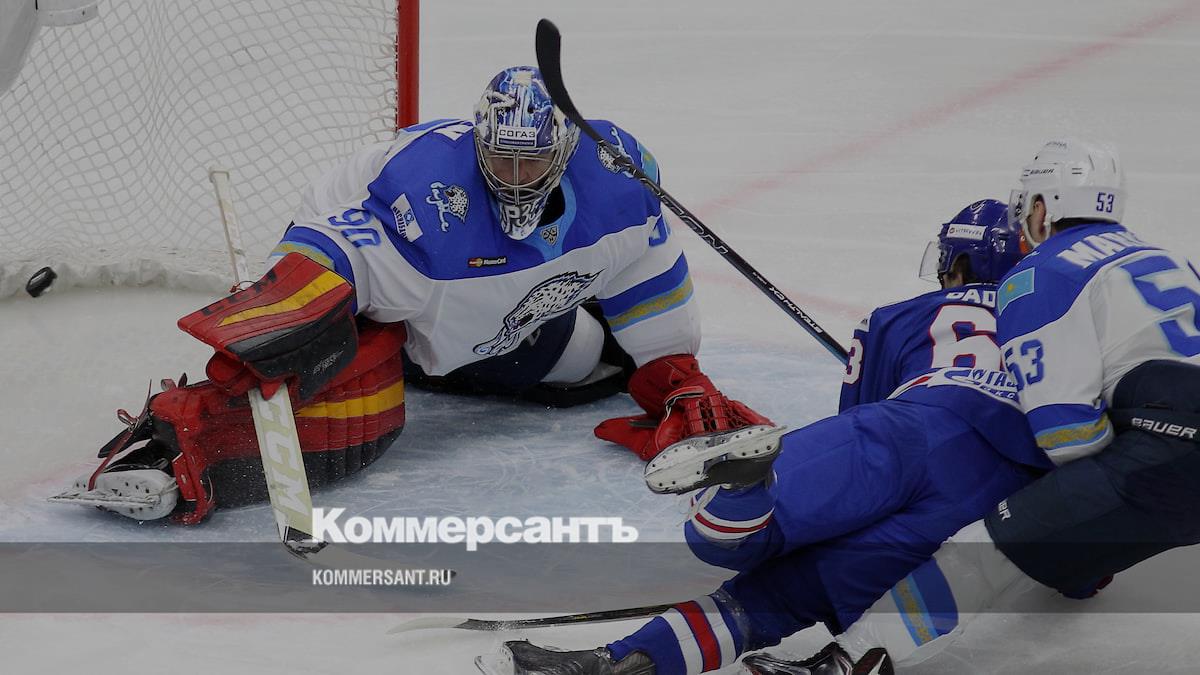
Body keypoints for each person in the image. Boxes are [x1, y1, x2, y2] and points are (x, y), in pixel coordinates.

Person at [58, 65, 769, 523]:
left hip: (505, 321)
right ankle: (175, 446)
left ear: (562, 153)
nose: (515, 177)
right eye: (501, 159)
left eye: (531, 162)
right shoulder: (429, 200)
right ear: (479, 146)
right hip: (393, 300)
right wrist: (288, 315)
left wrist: (676, 373)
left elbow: (647, 268)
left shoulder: (617, 183)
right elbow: (337, 246)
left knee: (591, 365)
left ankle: (444, 357)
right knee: (355, 397)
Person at [485, 199, 1053, 675]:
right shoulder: (1052, 322)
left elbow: (862, 416)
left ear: (957, 263)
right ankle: (630, 660)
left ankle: (741, 497)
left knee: (736, 536)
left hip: (910, 427)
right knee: (785, 595)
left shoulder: (898, 316)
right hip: (993, 496)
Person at [816, 137, 1200, 672]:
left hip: (1172, 447)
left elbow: (1069, 437)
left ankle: (849, 660)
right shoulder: (1170, 258)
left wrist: (1066, 522)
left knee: (980, 552)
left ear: (1042, 208)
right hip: (1175, 439)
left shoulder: (1042, 272)